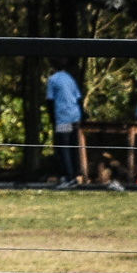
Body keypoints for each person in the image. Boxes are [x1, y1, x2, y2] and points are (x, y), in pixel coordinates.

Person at [47, 58, 84, 188]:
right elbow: (79, 97)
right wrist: (81, 115)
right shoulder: (70, 78)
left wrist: (52, 119)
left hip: (63, 117)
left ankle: (68, 176)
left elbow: (50, 101)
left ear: (52, 66)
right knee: (73, 146)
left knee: (63, 147)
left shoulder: (53, 79)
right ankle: (75, 174)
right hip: (75, 116)